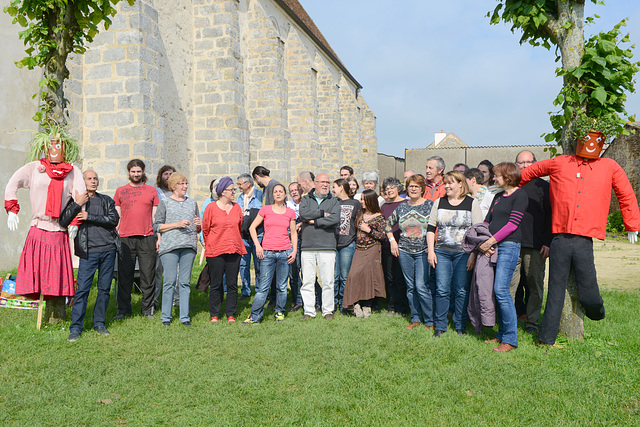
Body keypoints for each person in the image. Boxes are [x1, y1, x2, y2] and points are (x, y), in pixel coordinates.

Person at [520, 151, 640, 346]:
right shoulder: (560, 162)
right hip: (559, 237)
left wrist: (632, 223)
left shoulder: (609, 166)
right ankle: (545, 339)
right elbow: (528, 172)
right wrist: (506, 188)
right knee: (555, 292)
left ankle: (596, 311)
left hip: (584, 239)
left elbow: (625, 192)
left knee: (589, 288)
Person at [4, 131, 85, 303]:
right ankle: (38, 299)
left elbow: (80, 196)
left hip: (58, 228)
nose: (55, 149)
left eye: (59, 145)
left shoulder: (72, 171)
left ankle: (56, 308)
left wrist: (75, 222)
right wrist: (12, 209)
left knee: (56, 270)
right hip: (38, 227)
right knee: (37, 269)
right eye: (51, 145)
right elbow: (12, 183)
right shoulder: (34, 168)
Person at [59, 170, 120, 341]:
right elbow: (63, 221)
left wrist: (89, 216)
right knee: (83, 290)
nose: (93, 181)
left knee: (104, 290)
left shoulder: (106, 200)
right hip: (88, 252)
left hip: (108, 250)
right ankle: (76, 328)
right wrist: (78, 205)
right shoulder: (76, 200)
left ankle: (99, 323)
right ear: (83, 181)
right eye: (89, 178)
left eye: (95, 179)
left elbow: (113, 220)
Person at [478, 162, 528, 352]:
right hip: (493, 246)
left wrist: (490, 242)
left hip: (509, 246)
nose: (493, 178)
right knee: (496, 291)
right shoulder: (498, 196)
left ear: (508, 176)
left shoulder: (520, 195)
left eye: (497, 175)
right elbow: (487, 221)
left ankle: (510, 339)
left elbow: (512, 225)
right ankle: (501, 335)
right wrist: (484, 242)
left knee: (502, 291)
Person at [427, 171, 483, 337]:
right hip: (442, 252)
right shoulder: (439, 202)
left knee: (460, 290)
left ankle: (460, 325)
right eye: (445, 183)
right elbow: (431, 229)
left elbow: (477, 232)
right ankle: (440, 325)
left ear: (461, 184)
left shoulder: (472, 204)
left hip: (463, 254)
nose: (447, 186)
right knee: (442, 289)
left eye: (451, 183)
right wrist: (431, 250)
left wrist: (472, 254)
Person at [385, 174, 435, 330]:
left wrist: (431, 246)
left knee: (421, 285)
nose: (413, 189)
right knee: (410, 286)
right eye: (410, 186)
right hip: (404, 250)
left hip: (423, 251)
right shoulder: (402, 206)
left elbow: (437, 227)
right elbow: (387, 225)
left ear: (422, 189)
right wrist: (393, 241)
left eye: (416, 186)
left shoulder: (431, 205)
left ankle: (430, 321)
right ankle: (415, 318)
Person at [511, 150, 552, 334]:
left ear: (536, 163)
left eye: (529, 162)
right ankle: (509, 320)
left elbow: (551, 215)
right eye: (521, 163)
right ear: (516, 165)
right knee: (510, 285)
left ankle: (532, 323)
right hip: (511, 243)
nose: (526, 166)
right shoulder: (512, 186)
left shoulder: (544, 187)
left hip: (536, 244)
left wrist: (547, 241)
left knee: (534, 284)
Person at [243, 184, 297, 323]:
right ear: (272, 195)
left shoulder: (290, 212)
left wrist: (294, 250)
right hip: (267, 253)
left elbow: (293, 232)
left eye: (281, 191)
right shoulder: (265, 209)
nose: (278, 194)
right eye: (275, 192)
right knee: (263, 288)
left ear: (285, 194)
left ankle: (279, 312)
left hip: (285, 253)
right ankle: (255, 316)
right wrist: (257, 246)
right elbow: (252, 228)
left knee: (282, 287)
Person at [153, 172, 201, 327]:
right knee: (169, 281)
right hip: (169, 247)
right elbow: (157, 226)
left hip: (188, 246)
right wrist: (176, 224)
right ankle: (166, 317)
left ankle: (185, 317)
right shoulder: (165, 203)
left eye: (186, 183)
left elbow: (198, 227)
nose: (185, 187)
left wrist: (199, 224)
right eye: (181, 184)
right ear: (173, 187)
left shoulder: (192, 202)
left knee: (185, 282)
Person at [113, 159, 159, 319]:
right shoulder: (120, 191)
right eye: (133, 171)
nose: (136, 174)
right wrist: (114, 235)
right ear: (128, 172)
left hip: (147, 238)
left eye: (139, 171)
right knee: (125, 276)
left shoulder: (152, 191)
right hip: (125, 238)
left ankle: (148, 310)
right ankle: (123, 310)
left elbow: (156, 217)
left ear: (143, 171)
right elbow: (117, 216)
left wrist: (158, 236)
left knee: (148, 275)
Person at [202, 177, 247, 323]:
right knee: (216, 283)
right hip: (215, 250)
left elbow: (238, 227)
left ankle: (231, 314)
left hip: (234, 249)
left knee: (232, 283)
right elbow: (205, 229)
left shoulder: (236, 208)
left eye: (234, 189)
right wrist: (212, 243)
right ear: (222, 192)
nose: (234, 192)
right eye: (231, 190)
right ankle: (214, 314)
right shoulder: (211, 208)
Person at [299, 173, 340, 320]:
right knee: (308, 281)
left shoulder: (334, 201)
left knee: (328, 280)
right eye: (322, 182)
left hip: (327, 246)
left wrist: (315, 221)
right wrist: (322, 214)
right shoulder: (305, 199)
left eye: (328, 183)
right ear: (314, 183)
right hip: (308, 246)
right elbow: (304, 214)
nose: (325, 185)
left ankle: (327, 310)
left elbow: (335, 219)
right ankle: (309, 311)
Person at [343, 190, 386, 318]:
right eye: (361, 199)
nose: (361, 201)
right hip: (359, 249)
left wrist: (369, 229)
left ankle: (367, 305)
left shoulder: (379, 216)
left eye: (363, 199)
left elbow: (382, 235)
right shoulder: (360, 214)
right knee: (353, 275)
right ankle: (355, 303)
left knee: (368, 277)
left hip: (372, 248)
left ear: (370, 200)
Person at [380, 177, 408, 316]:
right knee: (389, 277)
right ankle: (391, 306)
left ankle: (402, 308)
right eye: (387, 189)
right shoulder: (384, 206)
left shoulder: (405, 203)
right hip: (387, 245)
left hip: (403, 245)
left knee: (400, 278)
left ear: (398, 188)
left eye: (392, 188)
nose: (389, 191)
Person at [332, 178, 360, 313]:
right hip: (333, 244)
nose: (332, 190)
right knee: (333, 277)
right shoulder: (333, 203)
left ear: (341, 188)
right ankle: (332, 304)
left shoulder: (355, 203)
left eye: (334, 187)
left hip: (348, 244)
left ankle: (344, 304)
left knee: (344, 277)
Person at [236, 173, 263, 300]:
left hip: (258, 234)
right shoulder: (240, 198)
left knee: (258, 264)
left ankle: (259, 291)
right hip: (244, 234)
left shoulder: (260, 195)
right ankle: (245, 291)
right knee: (243, 264)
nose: (238, 187)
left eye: (240, 184)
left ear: (248, 184)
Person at [153, 165, 176, 310]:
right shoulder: (156, 192)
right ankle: (154, 301)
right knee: (157, 269)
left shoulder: (181, 192)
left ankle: (177, 300)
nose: (168, 176)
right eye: (166, 174)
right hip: (159, 234)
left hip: (176, 235)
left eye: (171, 174)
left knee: (176, 272)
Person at [287, 182, 304, 311]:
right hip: (291, 240)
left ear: (301, 190)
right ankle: (297, 300)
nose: (294, 192)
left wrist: (301, 223)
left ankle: (313, 299)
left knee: (307, 272)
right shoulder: (287, 205)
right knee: (293, 271)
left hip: (306, 239)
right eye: (291, 190)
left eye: (296, 189)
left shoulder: (306, 203)